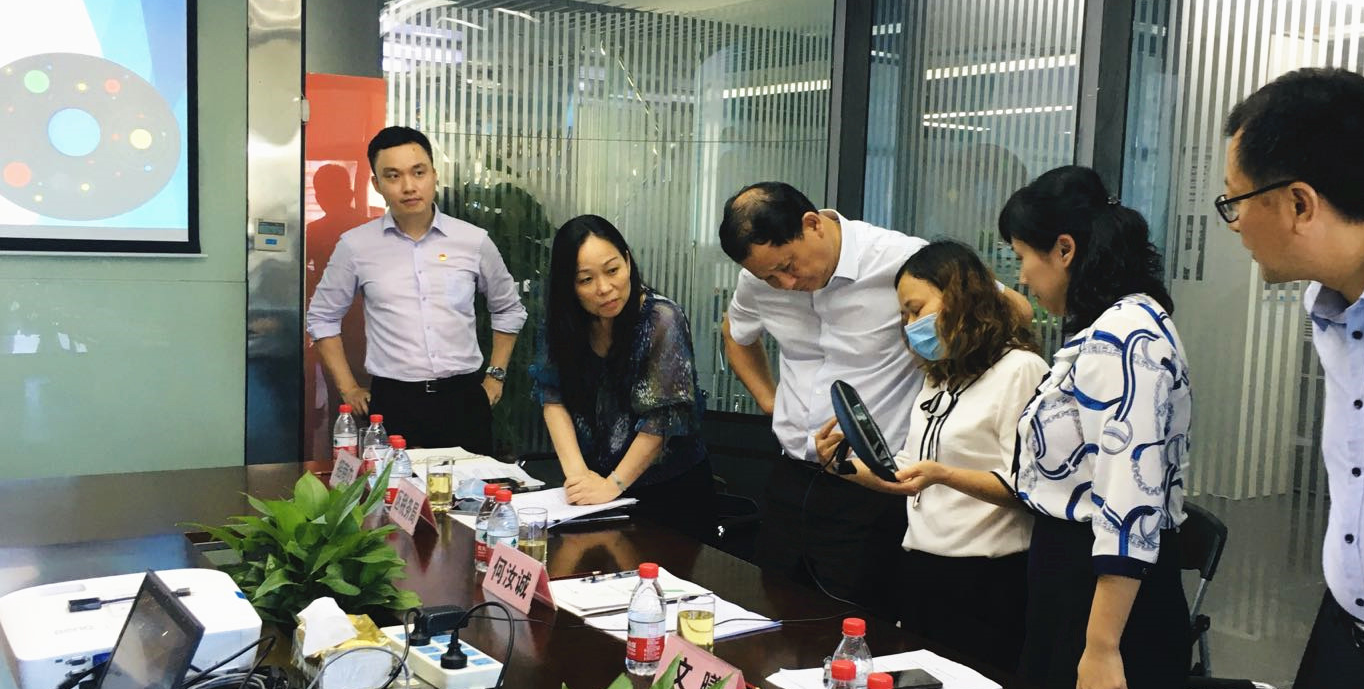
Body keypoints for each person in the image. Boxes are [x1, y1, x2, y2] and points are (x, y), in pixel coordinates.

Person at [905, 167, 1192, 689]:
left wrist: (1102, 645)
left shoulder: (1122, 337)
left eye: (1022, 257)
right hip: (1069, 575)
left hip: (1104, 594)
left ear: (1064, 250)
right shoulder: (1104, 327)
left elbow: (1128, 500)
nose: (1021, 277)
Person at [719, 182, 1031, 611]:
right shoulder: (757, 280)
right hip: (793, 475)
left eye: (788, 266)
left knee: (855, 621)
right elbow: (736, 333)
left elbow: (1014, 310)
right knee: (769, 609)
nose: (786, 283)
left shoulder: (899, 259)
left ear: (812, 224)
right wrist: (771, 403)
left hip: (872, 488)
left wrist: (958, 377)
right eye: (770, 277)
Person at [1222, 67, 1364, 689]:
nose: (1233, 223)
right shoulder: (1330, 308)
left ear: (1299, 203)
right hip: (1343, 634)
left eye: (1235, 200)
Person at [812, 240, 1047, 671]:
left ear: (961, 297)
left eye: (916, 310)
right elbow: (907, 472)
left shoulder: (1021, 369)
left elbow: (1029, 488)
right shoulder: (940, 377)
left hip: (987, 581)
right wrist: (841, 466)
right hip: (922, 569)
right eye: (903, 316)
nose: (910, 326)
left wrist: (944, 475)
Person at [305, 126, 527, 453]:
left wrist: (495, 377)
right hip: (394, 402)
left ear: (434, 175)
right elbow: (322, 318)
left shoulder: (473, 241)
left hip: (464, 400)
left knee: (470, 485)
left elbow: (508, 308)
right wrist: (349, 388)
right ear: (376, 185)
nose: (408, 186)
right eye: (393, 176)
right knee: (394, 486)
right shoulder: (356, 246)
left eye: (418, 172)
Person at [532, 215, 716, 543]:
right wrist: (578, 477)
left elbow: (661, 420)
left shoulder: (661, 320)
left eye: (613, 270)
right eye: (586, 279)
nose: (604, 288)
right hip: (598, 491)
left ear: (628, 262)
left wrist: (612, 485)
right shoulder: (563, 323)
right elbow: (553, 397)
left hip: (668, 492)